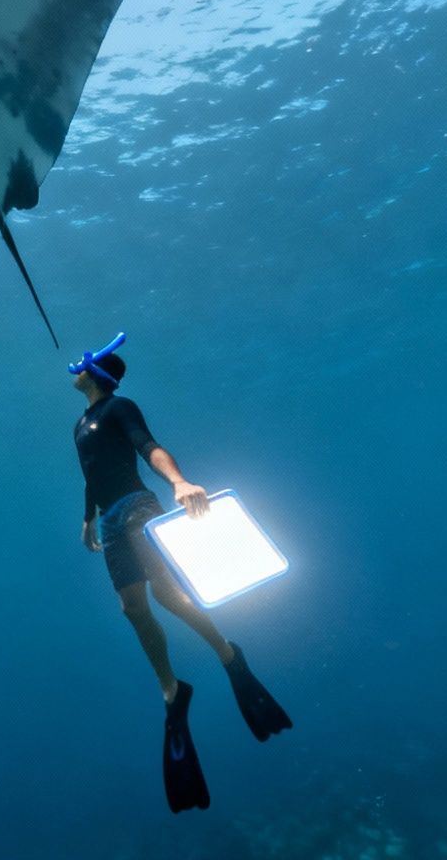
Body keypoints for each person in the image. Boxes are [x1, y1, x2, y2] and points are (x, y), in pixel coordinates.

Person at [69, 334, 290, 814]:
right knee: (132, 607)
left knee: (168, 595)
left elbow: (148, 447)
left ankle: (228, 654)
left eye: (84, 366)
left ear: (97, 375)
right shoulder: (80, 423)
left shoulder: (119, 406)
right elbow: (91, 472)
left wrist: (179, 481)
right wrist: (87, 517)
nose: (75, 370)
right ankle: (172, 689)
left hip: (136, 507)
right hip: (108, 519)